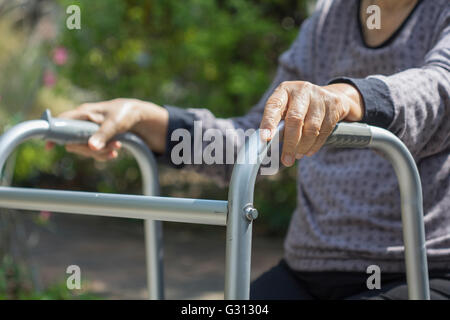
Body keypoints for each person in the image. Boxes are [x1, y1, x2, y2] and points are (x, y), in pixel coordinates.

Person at [51, 0, 450, 299]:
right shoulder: (328, 21)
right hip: (307, 272)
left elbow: (437, 93)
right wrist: (146, 120)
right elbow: (256, 141)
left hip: (417, 271)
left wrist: (348, 98)